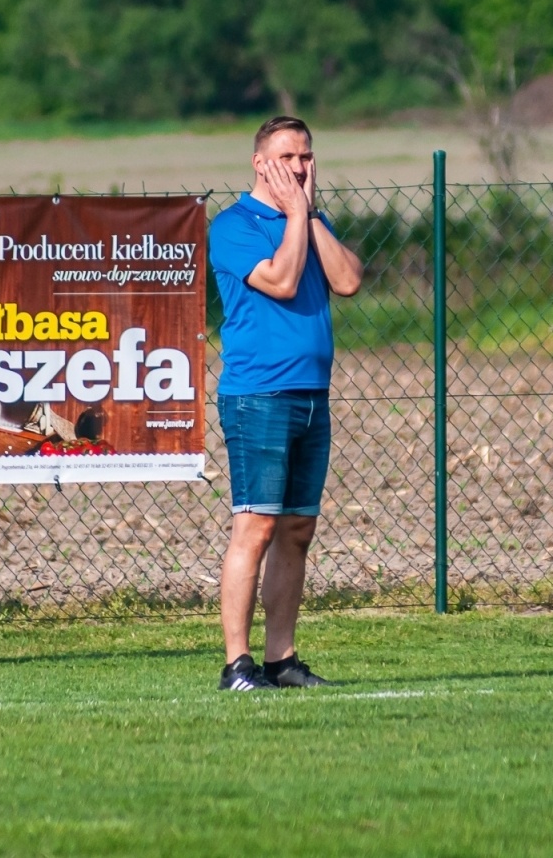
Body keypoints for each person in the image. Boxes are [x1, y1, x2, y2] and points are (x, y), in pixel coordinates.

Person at [207, 115, 363, 691]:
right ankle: (237, 665)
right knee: (257, 525)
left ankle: (282, 659)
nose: (298, 167)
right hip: (259, 396)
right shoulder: (233, 226)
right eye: (286, 157)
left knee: (297, 528)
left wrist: (310, 214)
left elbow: (347, 280)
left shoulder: (310, 220)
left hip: (311, 396)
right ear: (258, 163)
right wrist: (297, 215)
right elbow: (282, 280)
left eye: (305, 156)